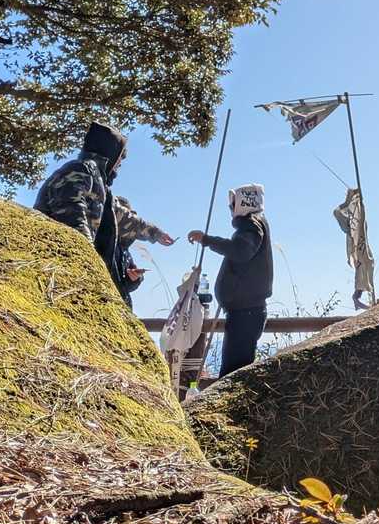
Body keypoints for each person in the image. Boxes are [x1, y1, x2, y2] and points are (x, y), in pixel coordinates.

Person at [34, 122, 175, 306]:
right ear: (111, 155)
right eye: (120, 159)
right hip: (56, 266)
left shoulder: (101, 186)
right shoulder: (79, 170)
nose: (120, 165)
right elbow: (72, 217)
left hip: (77, 266)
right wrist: (89, 262)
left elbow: (123, 217)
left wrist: (155, 233)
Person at [188, 183, 272, 378]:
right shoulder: (255, 225)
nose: (230, 209)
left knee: (233, 374)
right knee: (235, 372)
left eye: (232, 204)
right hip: (246, 312)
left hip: (245, 314)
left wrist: (207, 240)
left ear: (242, 203)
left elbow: (241, 251)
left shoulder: (251, 226)